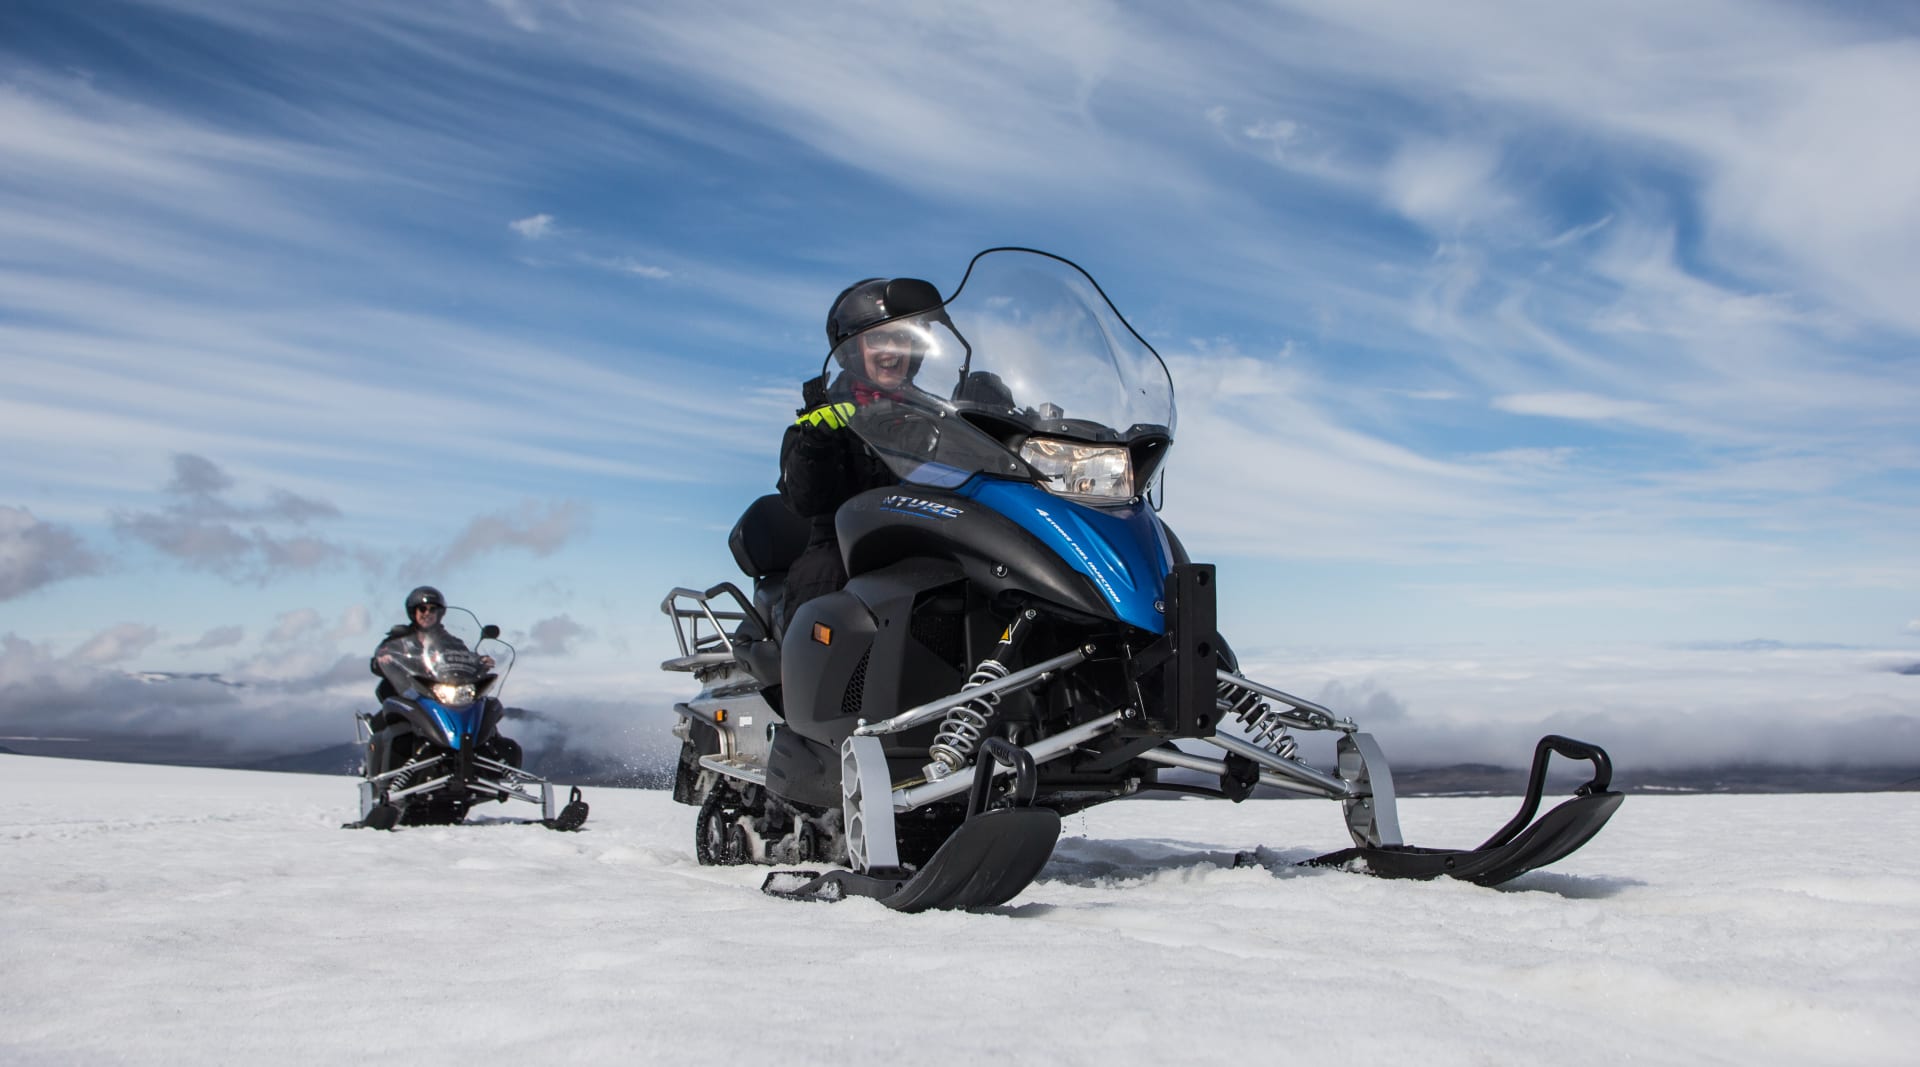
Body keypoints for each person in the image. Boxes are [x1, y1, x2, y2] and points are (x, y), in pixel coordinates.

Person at [775, 277, 943, 631]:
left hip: (925, 537)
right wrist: (815, 443)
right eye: (878, 338)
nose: (892, 351)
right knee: (823, 575)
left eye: (903, 338)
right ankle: (807, 682)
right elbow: (803, 499)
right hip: (843, 542)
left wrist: (992, 414)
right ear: (852, 349)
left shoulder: (937, 416)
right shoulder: (823, 416)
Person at [368, 585, 491, 705]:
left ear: (439, 613)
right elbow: (379, 659)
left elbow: (465, 657)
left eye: (432, 609)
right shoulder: (399, 639)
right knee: (392, 711)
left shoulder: (451, 642)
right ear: (413, 612)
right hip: (409, 696)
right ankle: (382, 725)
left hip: (443, 695)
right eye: (422, 609)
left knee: (489, 707)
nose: (427, 613)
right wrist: (383, 660)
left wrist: (480, 661)